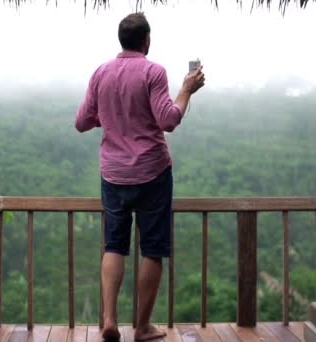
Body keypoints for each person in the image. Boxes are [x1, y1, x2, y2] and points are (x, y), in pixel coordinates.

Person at [75, 12, 205, 341]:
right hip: (152, 173)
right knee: (152, 249)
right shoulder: (153, 71)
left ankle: (109, 320)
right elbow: (168, 120)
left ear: (122, 40)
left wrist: (111, 117)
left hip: (114, 175)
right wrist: (187, 90)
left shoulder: (101, 73)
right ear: (146, 40)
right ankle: (143, 327)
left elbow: (81, 121)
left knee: (114, 246)